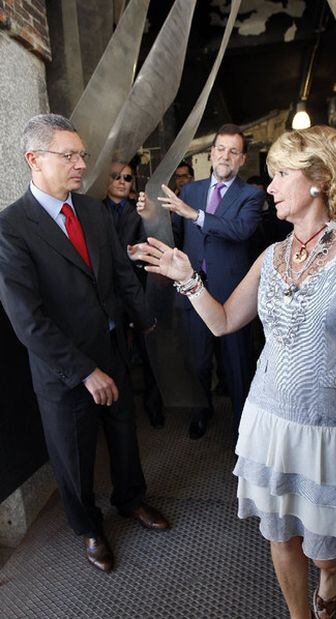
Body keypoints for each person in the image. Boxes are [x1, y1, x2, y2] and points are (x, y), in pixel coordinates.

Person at [135, 125, 336, 618]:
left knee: (326, 547)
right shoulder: (271, 256)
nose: (268, 186)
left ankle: (329, 577)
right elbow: (225, 322)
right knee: (280, 535)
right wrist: (187, 277)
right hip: (269, 421)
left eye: (279, 175)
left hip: (331, 426)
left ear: (318, 178)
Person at [0, 114, 169, 574]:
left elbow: (119, 276)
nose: (80, 164)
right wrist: (83, 372)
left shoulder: (92, 211)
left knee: (123, 433)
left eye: (82, 155)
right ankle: (90, 528)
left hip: (112, 349)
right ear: (34, 159)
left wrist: (145, 323)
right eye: (69, 155)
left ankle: (131, 500)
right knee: (73, 455)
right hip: (63, 369)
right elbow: (27, 321)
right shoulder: (11, 227)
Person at [131, 124, 264, 440]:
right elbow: (174, 234)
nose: (225, 156)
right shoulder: (189, 191)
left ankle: (243, 430)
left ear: (242, 159)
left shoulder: (251, 195)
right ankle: (202, 411)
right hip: (192, 294)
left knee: (237, 367)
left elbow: (240, 231)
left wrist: (196, 215)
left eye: (233, 151)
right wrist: (151, 216)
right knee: (198, 362)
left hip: (234, 298)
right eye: (220, 148)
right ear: (211, 152)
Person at [104, 160, 165, 429]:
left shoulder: (139, 213)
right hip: (104, 294)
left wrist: (136, 255)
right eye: (115, 176)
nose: (121, 181)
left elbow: (147, 245)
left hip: (136, 289)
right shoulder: (91, 210)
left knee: (149, 351)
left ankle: (154, 405)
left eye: (127, 178)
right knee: (112, 355)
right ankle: (117, 411)